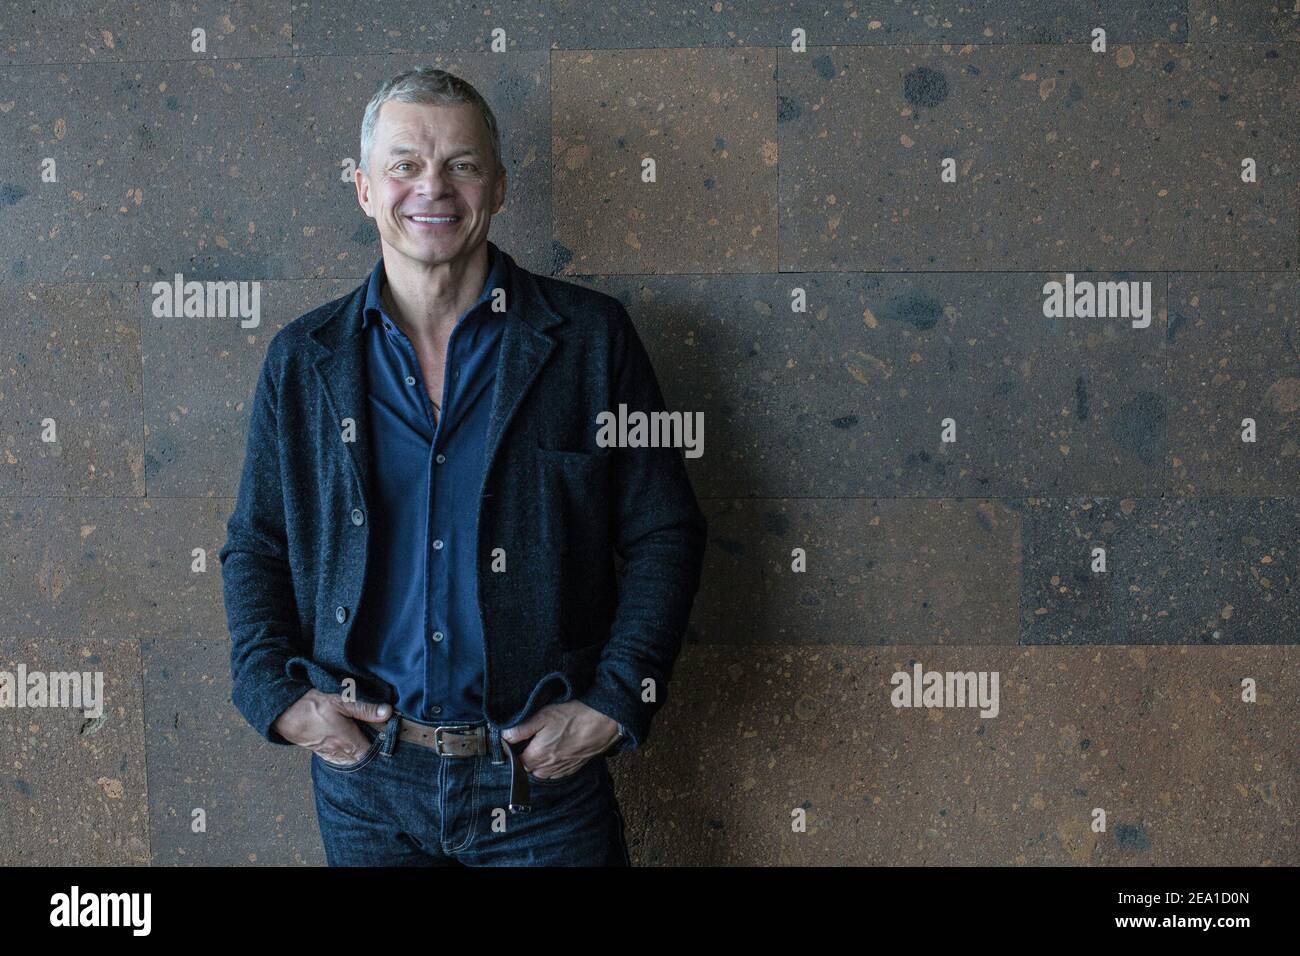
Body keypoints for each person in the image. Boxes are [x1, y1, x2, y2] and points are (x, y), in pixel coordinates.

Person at [218, 67, 707, 866]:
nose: (432, 188)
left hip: (541, 782)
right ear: (365, 190)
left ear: (500, 187)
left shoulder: (590, 341)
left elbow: (665, 534)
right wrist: (273, 695)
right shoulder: (302, 361)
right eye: (405, 164)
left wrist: (614, 702)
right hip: (367, 788)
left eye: (463, 165)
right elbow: (257, 546)